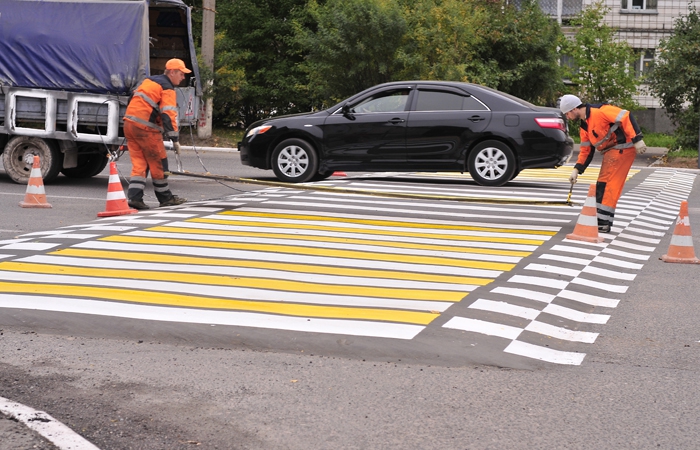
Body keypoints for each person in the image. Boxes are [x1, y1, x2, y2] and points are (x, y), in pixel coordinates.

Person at [560, 94, 647, 233]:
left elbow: (626, 116)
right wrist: (577, 169)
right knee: (602, 184)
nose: (568, 117)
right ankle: (602, 220)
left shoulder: (600, 111)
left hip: (623, 149)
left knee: (609, 185)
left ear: (574, 109)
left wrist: (637, 139)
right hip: (612, 152)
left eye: (567, 114)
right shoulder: (584, 126)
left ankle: (603, 222)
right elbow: (586, 151)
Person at [124, 58, 190, 210]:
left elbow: (131, 98)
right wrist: (174, 138)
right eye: (181, 73)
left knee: (140, 163)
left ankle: (135, 198)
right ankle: (166, 198)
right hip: (146, 128)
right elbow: (168, 113)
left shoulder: (149, 81)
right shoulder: (167, 87)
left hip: (129, 125)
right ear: (172, 72)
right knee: (159, 163)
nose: (183, 77)